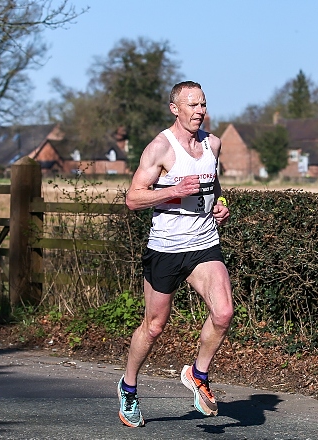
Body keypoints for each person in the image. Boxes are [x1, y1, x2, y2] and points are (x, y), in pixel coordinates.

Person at [118, 81, 232, 428]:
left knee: (224, 312)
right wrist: (172, 192)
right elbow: (133, 198)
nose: (200, 111)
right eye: (193, 105)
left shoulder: (213, 144)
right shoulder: (159, 149)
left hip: (203, 244)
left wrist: (223, 204)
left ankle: (198, 374)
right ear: (175, 109)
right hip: (166, 249)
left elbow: (216, 187)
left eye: (203, 104)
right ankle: (129, 388)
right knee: (154, 327)